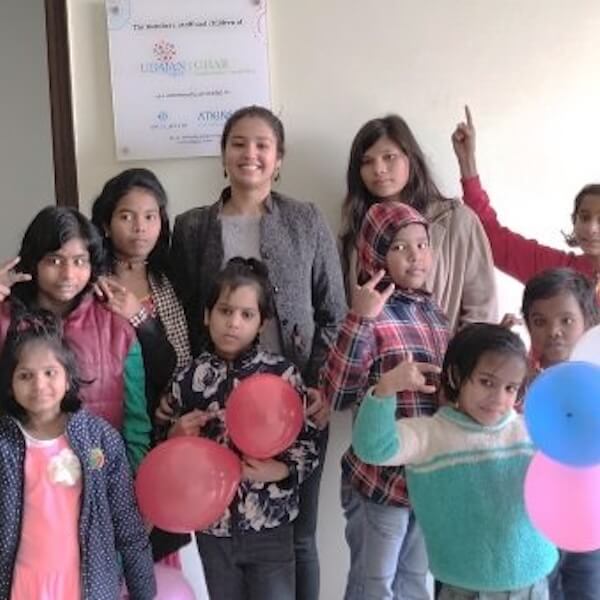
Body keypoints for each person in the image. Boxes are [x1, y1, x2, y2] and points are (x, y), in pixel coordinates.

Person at [169, 105, 347, 599]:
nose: (250, 154)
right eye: (239, 143)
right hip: (217, 401)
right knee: (220, 526)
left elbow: (333, 311)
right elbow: (182, 311)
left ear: (279, 159)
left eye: (262, 145)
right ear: (223, 155)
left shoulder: (306, 220)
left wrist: (322, 387)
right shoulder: (190, 227)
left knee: (300, 533)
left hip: (294, 401)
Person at [352, 322, 558, 600]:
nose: (498, 398)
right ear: (456, 375)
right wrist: (386, 389)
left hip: (534, 586)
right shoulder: (431, 436)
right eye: (487, 382)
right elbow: (373, 448)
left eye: (510, 388)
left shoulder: (532, 431)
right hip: (463, 590)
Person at [169, 257, 320, 600]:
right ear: (207, 315)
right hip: (211, 529)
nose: (233, 323)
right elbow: (169, 455)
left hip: (270, 526)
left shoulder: (282, 375)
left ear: (262, 323)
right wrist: (175, 436)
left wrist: (280, 469)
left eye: (246, 315)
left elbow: (308, 442)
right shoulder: (187, 379)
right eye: (224, 311)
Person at [323, 201, 450, 600]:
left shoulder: (434, 312)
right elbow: (338, 393)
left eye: (423, 243)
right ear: (376, 254)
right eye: (400, 247)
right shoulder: (369, 310)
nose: (416, 255)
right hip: (379, 483)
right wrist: (359, 319)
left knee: (414, 583)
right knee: (372, 587)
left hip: (424, 482)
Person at [0, 313, 155, 600]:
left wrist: (144, 593)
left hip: (89, 587)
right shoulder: (4, 444)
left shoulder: (100, 439)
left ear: (69, 378)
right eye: (25, 375)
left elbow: (128, 526)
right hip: (21, 586)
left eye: (50, 372)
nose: (39, 385)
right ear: (10, 385)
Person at [0, 206, 151, 469]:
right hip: (19, 480)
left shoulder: (116, 328)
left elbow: (135, 423)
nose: (68, 274)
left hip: (98, 479)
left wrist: (129, 482)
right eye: (54, 260)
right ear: (33, 261)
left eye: (80, 261)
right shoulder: (5, 321)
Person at [340, 114, 497, 333]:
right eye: (367, 161)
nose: (379, 169)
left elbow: (482, 311)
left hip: (446, 361)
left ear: (410, 159)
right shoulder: (356, 235)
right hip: (378, 363)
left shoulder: (457, 221)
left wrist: (460, 364)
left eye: (389, 157)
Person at [452, 106, 600, 291]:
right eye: (585, 217)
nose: (591, 228)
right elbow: (492, 238)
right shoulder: (559, 273)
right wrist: (467, 161)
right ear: (574, 220)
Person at [520, 268, 600, 600]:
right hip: (534, 523)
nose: (554, 332)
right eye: (540, 322)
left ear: (588, 320)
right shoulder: (515, 386)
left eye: (566, 320)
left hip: (590, 519)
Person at [91, 167, 191, 416]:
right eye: (126, 217)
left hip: (164, 410)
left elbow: (180, 360)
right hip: (102, 408)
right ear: (106, 224)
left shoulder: (172, 278)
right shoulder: (90, 280)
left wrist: (138, 314)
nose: (140, 227)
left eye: (150, 217)